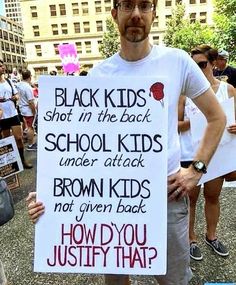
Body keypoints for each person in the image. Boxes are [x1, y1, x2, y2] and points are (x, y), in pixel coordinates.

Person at [27, 1, 226, 284]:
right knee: (116, 280)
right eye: (127, 5)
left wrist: (196, 169)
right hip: (109, 199)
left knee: (173, 280)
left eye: (144, 5)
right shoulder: (98, 75)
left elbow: (216, 117)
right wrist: (51, 194)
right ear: (114, 13)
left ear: (153, 13)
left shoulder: (178, 61)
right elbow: (83, 148)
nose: (136, 13)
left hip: (165, 196)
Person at [178, 45, 236, 261]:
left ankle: (211, 236)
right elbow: (175, 124)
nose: (197, 69)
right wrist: (199, 121)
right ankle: (190, 239)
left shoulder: (228, 90)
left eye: (202, 64)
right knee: (190, 199)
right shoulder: (184, 93)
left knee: (213, 196)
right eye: (193, 66)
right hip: (191, 154)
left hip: (218, 153)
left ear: (213, 64)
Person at [0, 59, 33, 169]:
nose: (3, 67)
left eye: (2, 65)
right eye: (0, 66)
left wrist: (16, 97)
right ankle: (11, 164)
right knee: (6, 141)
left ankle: (23, 161)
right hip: (2, 117)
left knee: (19, 138)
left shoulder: (9, 81)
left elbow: (17, 94)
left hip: (13, 114)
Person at [16, 70, 37, 151]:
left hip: (22, 108)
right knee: (31, 127)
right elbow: (31, 102)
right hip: (28, 109)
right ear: (30, 76)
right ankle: (31, 145)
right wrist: (34, 112)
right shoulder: (27, 87)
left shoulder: (19, 84)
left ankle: (26, 138)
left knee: (26, 125)